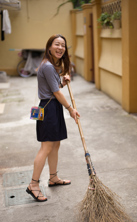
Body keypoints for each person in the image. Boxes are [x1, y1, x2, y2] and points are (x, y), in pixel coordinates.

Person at [26, 34, 80, 202]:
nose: (60, 48)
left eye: (63, 45)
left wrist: (63, 81)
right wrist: (70, 108)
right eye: (57, 44)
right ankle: (33, 185)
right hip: (49, 109)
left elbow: (54, 88)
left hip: (51, 107)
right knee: (46, 147)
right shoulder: (48, 66)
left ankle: (53, 177)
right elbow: (56, 93)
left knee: (55, 145)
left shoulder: (50, 67)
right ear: (49, 47)